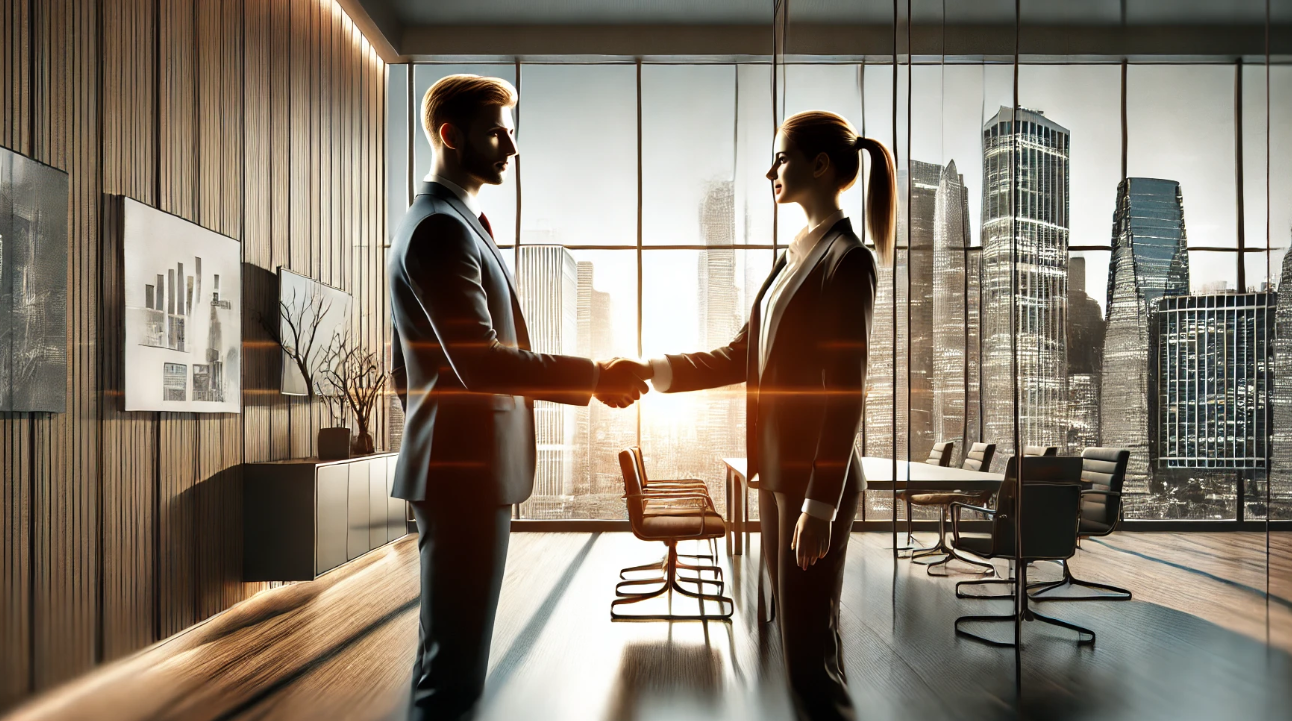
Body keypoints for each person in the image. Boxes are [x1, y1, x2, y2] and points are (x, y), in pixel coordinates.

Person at [386, 74, 651, 721]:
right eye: (498, 132)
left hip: (464, 469)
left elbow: (411, 369)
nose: (512, 146)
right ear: (452, 135)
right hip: (465, 476)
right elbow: (478, 360)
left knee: (450, 659)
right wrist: (594, 377)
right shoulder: (441, 231)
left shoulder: (453, 225)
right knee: (452, 675)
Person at [627, 111, 895, 721]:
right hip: (777, 475)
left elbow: (847, 393)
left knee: (809, 659)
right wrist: (653, 370)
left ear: (821, 166)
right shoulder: (790, 260)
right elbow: (738, 356)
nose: (770, 171)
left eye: (781, 157)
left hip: (811, 485)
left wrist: (821, 504)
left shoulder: (846, 262)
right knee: (803, 643)